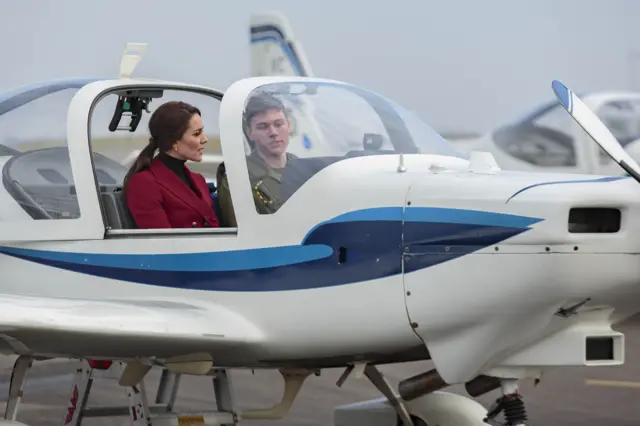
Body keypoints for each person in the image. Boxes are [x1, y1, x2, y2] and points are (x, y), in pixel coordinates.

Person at [122, 101, 220, 229]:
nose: (205, 139)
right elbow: (162, 243)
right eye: (196, 134)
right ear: (174, 142)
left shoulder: (199, 180)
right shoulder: (144, 183)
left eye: (203, 132)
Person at [217, 93, 297, 227]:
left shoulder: (303, 168)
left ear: (288, 126)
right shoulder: (239, 180)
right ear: (249, 132)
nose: (273, 133)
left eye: (278, 124)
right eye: (263, 126)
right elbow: (244, 235)